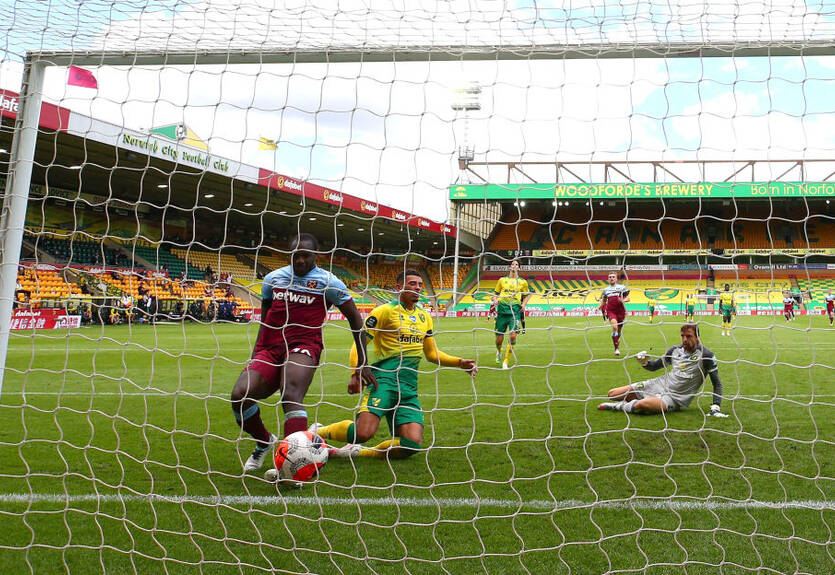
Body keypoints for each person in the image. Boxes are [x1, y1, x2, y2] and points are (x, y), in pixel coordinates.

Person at [230, 233, 376, 473]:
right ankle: (264, 442)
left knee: (290, 395)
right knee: (239, 395)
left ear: (316, 256)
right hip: (270, 346)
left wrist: (363, 361)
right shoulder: (273, 279)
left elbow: (355, 320)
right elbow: (265, 317)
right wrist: (257, 350)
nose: (299, 261)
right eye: (295, 256)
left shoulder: (329, 282)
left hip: (304, 344)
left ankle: (288, 465)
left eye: (305, 256)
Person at [310, 269, 477, 459]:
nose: (418, 288)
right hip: (383, 381)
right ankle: (317, 432)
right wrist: (355, 373)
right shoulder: (384, 311)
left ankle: (357, 453)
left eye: (420, 285)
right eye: (412, 283)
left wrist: (459, 363)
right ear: (399, 287)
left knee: (411, 444)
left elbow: (431, 354)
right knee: (363, 433)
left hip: (408, 387)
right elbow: (359, 343)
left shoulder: (425, 317)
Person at [598, 323, 726, 417]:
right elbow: (654, 367)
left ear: (697, 337)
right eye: (682, 336)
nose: (684, 340)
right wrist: (644, 362)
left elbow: (717, 383)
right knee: (613, 394)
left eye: (689, 336)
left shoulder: (706, 355)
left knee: (643, 405)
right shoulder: (674, 350)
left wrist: (716, 405)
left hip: (674, 397)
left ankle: (618, 407)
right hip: (658, 384)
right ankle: (634, 401)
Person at [490, 259, 530, 369]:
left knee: (512, 336)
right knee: (499, 339)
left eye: (516, 264)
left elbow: (527, 295)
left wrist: (524, 304)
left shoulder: (523, 282)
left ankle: (506, 361)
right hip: (502, 311)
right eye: (512, 264)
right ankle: (499, 351)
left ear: (519, 268)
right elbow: (495, 294)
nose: (514, 265)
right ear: (510, 267)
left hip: (515, 311)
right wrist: (495, 299)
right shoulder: (502, 280)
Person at [600, 272, 630, 355]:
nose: (611, 278)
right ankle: (616, 349)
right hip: (611, 310)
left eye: (613, 277)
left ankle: (617, 338)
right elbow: (604, 301)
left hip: (621, 311)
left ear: (616, 278)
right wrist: (598, 307)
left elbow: (628, 298)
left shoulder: (622, 288)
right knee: (614, 327)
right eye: (610, 277)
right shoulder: (606, 290)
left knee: (619, 331)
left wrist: (623, 300)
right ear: (608, 279)